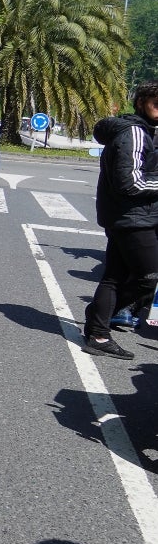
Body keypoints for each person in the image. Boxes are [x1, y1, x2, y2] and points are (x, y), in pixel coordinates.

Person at [82, 80, 158, 359]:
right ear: (141, 102)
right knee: (149, 277)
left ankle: (98, 333)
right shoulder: (135, 133)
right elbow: (131, 183)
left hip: (126, 216)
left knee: (115, 277)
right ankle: (98, 320)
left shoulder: (141, 131)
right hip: (133, 219)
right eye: (156, 103)